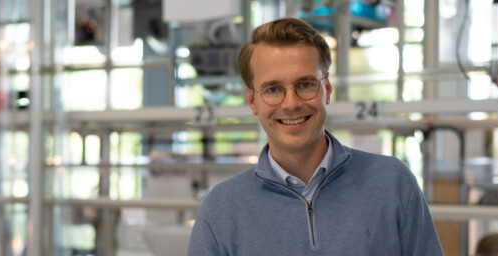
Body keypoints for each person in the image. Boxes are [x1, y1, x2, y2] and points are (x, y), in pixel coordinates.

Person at [187, 17, 444, 255]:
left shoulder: (392, 183)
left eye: (305, 84)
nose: (291, 104)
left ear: (327, 89)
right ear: (252, 100)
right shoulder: (221, 208)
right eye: (273, 89)